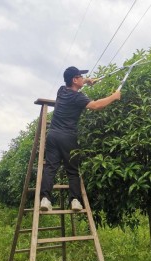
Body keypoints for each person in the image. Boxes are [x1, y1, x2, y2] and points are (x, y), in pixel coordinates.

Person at [40, 66, 121, 211]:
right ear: (74, 79)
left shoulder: (61, 90)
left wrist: (87, 81)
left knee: (51, 167)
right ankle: (75, 200)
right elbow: (96, 105)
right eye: (80, 77)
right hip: (67, 137)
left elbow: (77, 86)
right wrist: (114, 97)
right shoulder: (78, 97)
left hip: (52, 135)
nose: (83, 78)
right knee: (72, 170)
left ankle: (45, 199)